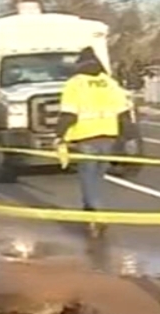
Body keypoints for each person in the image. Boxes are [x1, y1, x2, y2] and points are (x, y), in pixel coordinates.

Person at [54, 47, 129, 237]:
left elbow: (69, 114)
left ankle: (97, 215)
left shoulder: (75, 84)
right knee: (98, 177)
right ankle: (90, 214)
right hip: (109, 135)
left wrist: (59, 135)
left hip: (86, 136)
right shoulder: (110, 83)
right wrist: (126, 138)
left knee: (88, 178)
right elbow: (124, 114)